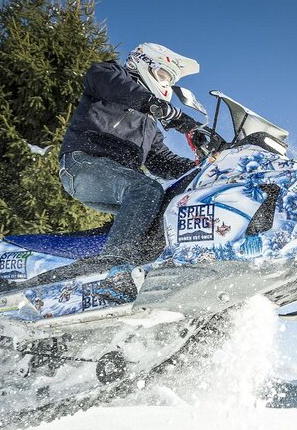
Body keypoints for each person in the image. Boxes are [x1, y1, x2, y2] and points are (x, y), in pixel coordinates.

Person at [58, 43, 203, 270]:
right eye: (163, 75)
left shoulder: (148, 124)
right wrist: (153, 104)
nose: (166, 83)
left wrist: (200, 166)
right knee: (147, 189)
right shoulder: (109, 74)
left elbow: (161, 160)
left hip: (116, 176)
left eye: (170, 80)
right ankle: (116, 266)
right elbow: (117, 87)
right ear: (144, 63)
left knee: (164, 203)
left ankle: (149, 266)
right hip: (83, 162)